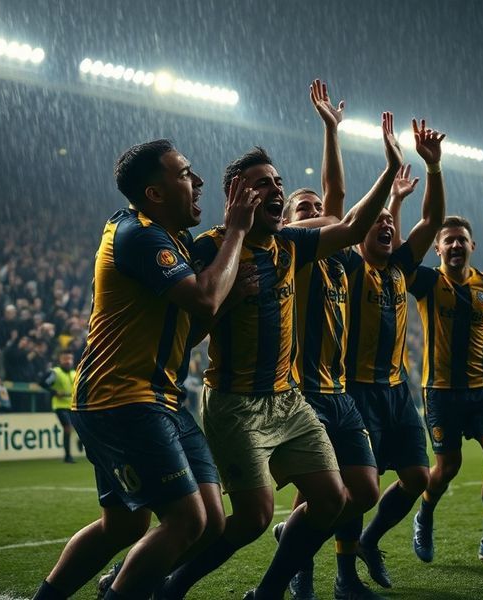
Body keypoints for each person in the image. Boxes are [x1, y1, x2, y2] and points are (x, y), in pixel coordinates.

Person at [157, 111, 404, 600]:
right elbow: (186, 336)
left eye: (277, 182)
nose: (274, 189)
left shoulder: (289, 244)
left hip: (289, 400)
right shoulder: (208, 249)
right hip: (235, 401)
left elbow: (350, 225)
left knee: (334, 499)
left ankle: (267, 593)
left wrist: (390, 169)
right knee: (254, 517)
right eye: (261, 184)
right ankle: (167, 582)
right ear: (235, 194)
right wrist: (229, 301)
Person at [32, 138, 260, 600]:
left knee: (157, 524)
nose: (198, 181)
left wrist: (229, 299)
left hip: (160, 398)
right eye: (185, 174)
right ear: (155, 193)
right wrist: (237, 230)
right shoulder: (139, 235)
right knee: (187, 520)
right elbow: (204, 299)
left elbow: (189, 330)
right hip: (121, 399)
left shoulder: (172, 240)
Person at [272, 79, 379, 600]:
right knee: (319, 493)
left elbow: (340, 213)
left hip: (340, 392)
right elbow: (336, 204)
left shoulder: (342, 264)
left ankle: (293, 543)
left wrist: (335, 130)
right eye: (303, 208)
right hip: (303, 392)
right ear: (289, 223)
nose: (315, 211)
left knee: (365, 491)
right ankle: (301, 571)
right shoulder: (294, 257)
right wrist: (330, 132)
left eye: (315, 206)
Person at [340, 120, 446, 592]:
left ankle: (369, 541)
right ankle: (341, 573)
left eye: (390, 223)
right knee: (355, 488)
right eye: (377, 221)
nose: (386, 225)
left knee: (418, 476)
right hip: (355, 391)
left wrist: (434, 168)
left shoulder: (401, 266)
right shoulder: (347, 266)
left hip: (397, 390)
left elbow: (433, 222)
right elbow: (344, 212)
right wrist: (387, 191)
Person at [403, 215, 483, 569]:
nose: (456, 245)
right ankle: (424, 515)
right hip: (441, 392)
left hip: (482, 389)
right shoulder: (427, 281)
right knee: (448, 467)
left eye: (461, 239)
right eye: (449, 240)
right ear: (437, 248)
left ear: (472, 245)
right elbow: (401, 260)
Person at [40, 350, 77, 463]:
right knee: (67, 428)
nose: (67, 361)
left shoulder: (75, 373)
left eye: (69, 359)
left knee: (76, 428)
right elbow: (43, 383)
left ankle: (73, 450)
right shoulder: (55, 373)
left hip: (73, 405)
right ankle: (68, 456)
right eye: (65, 359)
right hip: (60, 405)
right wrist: (55, 392)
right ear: (60, 360)